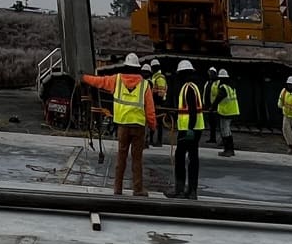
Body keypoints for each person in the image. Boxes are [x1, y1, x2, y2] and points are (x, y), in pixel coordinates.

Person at [81, 52, 157, 196]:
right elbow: (150, 109)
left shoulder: (117, 80)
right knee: (137, 159)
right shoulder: (145, 85)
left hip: (122, 126)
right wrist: (153, 125)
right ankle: (138, 189)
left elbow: (100, 82)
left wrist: (84, 78)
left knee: (121, 158)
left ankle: (118, 189)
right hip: (138, 127)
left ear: (126, 66)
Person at [171, 60, 204, 199]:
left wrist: (189, 128)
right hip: (195, 128)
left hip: (189, 129)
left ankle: (180, 189)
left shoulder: (188, 88)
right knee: (192, 159)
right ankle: (191, 191)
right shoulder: (194, 86)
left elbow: (192, 110)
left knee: (180, 157)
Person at [214, 67, 240, 156]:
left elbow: (218, 98)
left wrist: (212, 107)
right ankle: (230, 150)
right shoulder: (230, 86)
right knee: (227, 131)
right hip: (232, 111)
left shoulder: (223, 88)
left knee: (225, 131)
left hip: (226, 112)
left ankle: (228, 150)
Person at [148, 59, 168, 146]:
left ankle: (159, 141)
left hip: (158, 103)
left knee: (159, 123)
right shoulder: (155, 77)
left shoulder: (160, 77)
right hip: (154, 102)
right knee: (152, 121)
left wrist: (157, 102)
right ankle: (151, 139)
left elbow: (161, 92)